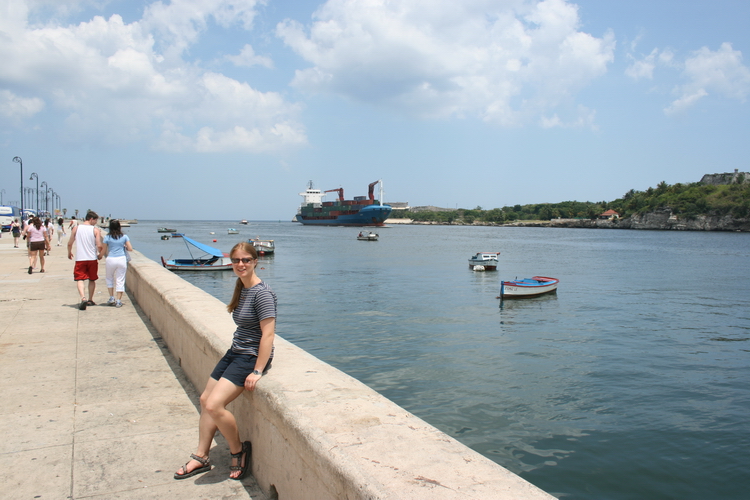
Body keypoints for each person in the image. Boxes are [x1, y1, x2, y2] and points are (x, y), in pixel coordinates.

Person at [174, 241, 276, 481]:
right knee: (204, 399)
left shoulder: (262, 293)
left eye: (246, 260)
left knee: (214, 405)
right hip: (235, 351)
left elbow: (268, 335)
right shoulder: (242, 287)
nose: (241, 264)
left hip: (250, 356)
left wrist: (258, 371)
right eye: (236, 260)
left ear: (255, 262)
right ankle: (201, 456)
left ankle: (238, 451)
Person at [68, 211, 103, 310]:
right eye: (95, 220)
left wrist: (69, 252)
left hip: (80, 258)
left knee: (80, 279)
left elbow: (70, 243)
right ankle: (90, 299)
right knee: (92, 279)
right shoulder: (95, 230)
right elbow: (99, 245)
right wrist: (100, 253)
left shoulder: (76, 228)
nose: (96, 222)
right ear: (91, 219)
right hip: (92, 258)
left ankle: (83, 298)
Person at [102, 219, 133, 308]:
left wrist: (99, 256)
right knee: (120, 280)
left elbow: (104, 250)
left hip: (111, 259)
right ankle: (119, 300)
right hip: (121, 259)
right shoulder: (124, 237)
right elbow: (130, 249)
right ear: (119, 227)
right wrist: (124, 246)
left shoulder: (107, 237)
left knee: (109, 278)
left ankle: (111, 297)